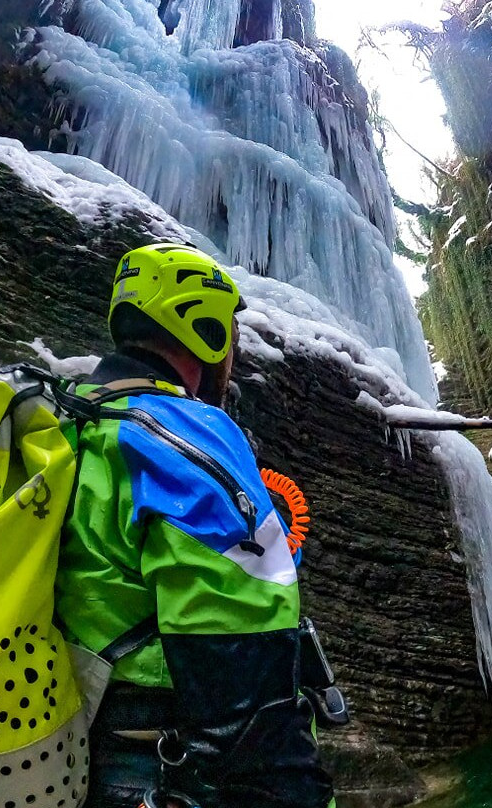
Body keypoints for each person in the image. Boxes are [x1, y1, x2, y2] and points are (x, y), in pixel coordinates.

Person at [55, 243, 335, 808]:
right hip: (168, 770)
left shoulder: (70, 423)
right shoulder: (183, 436)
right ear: (203, 329)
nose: (231, 350)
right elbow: (245, 677)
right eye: (228, 332)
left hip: (77, 759)